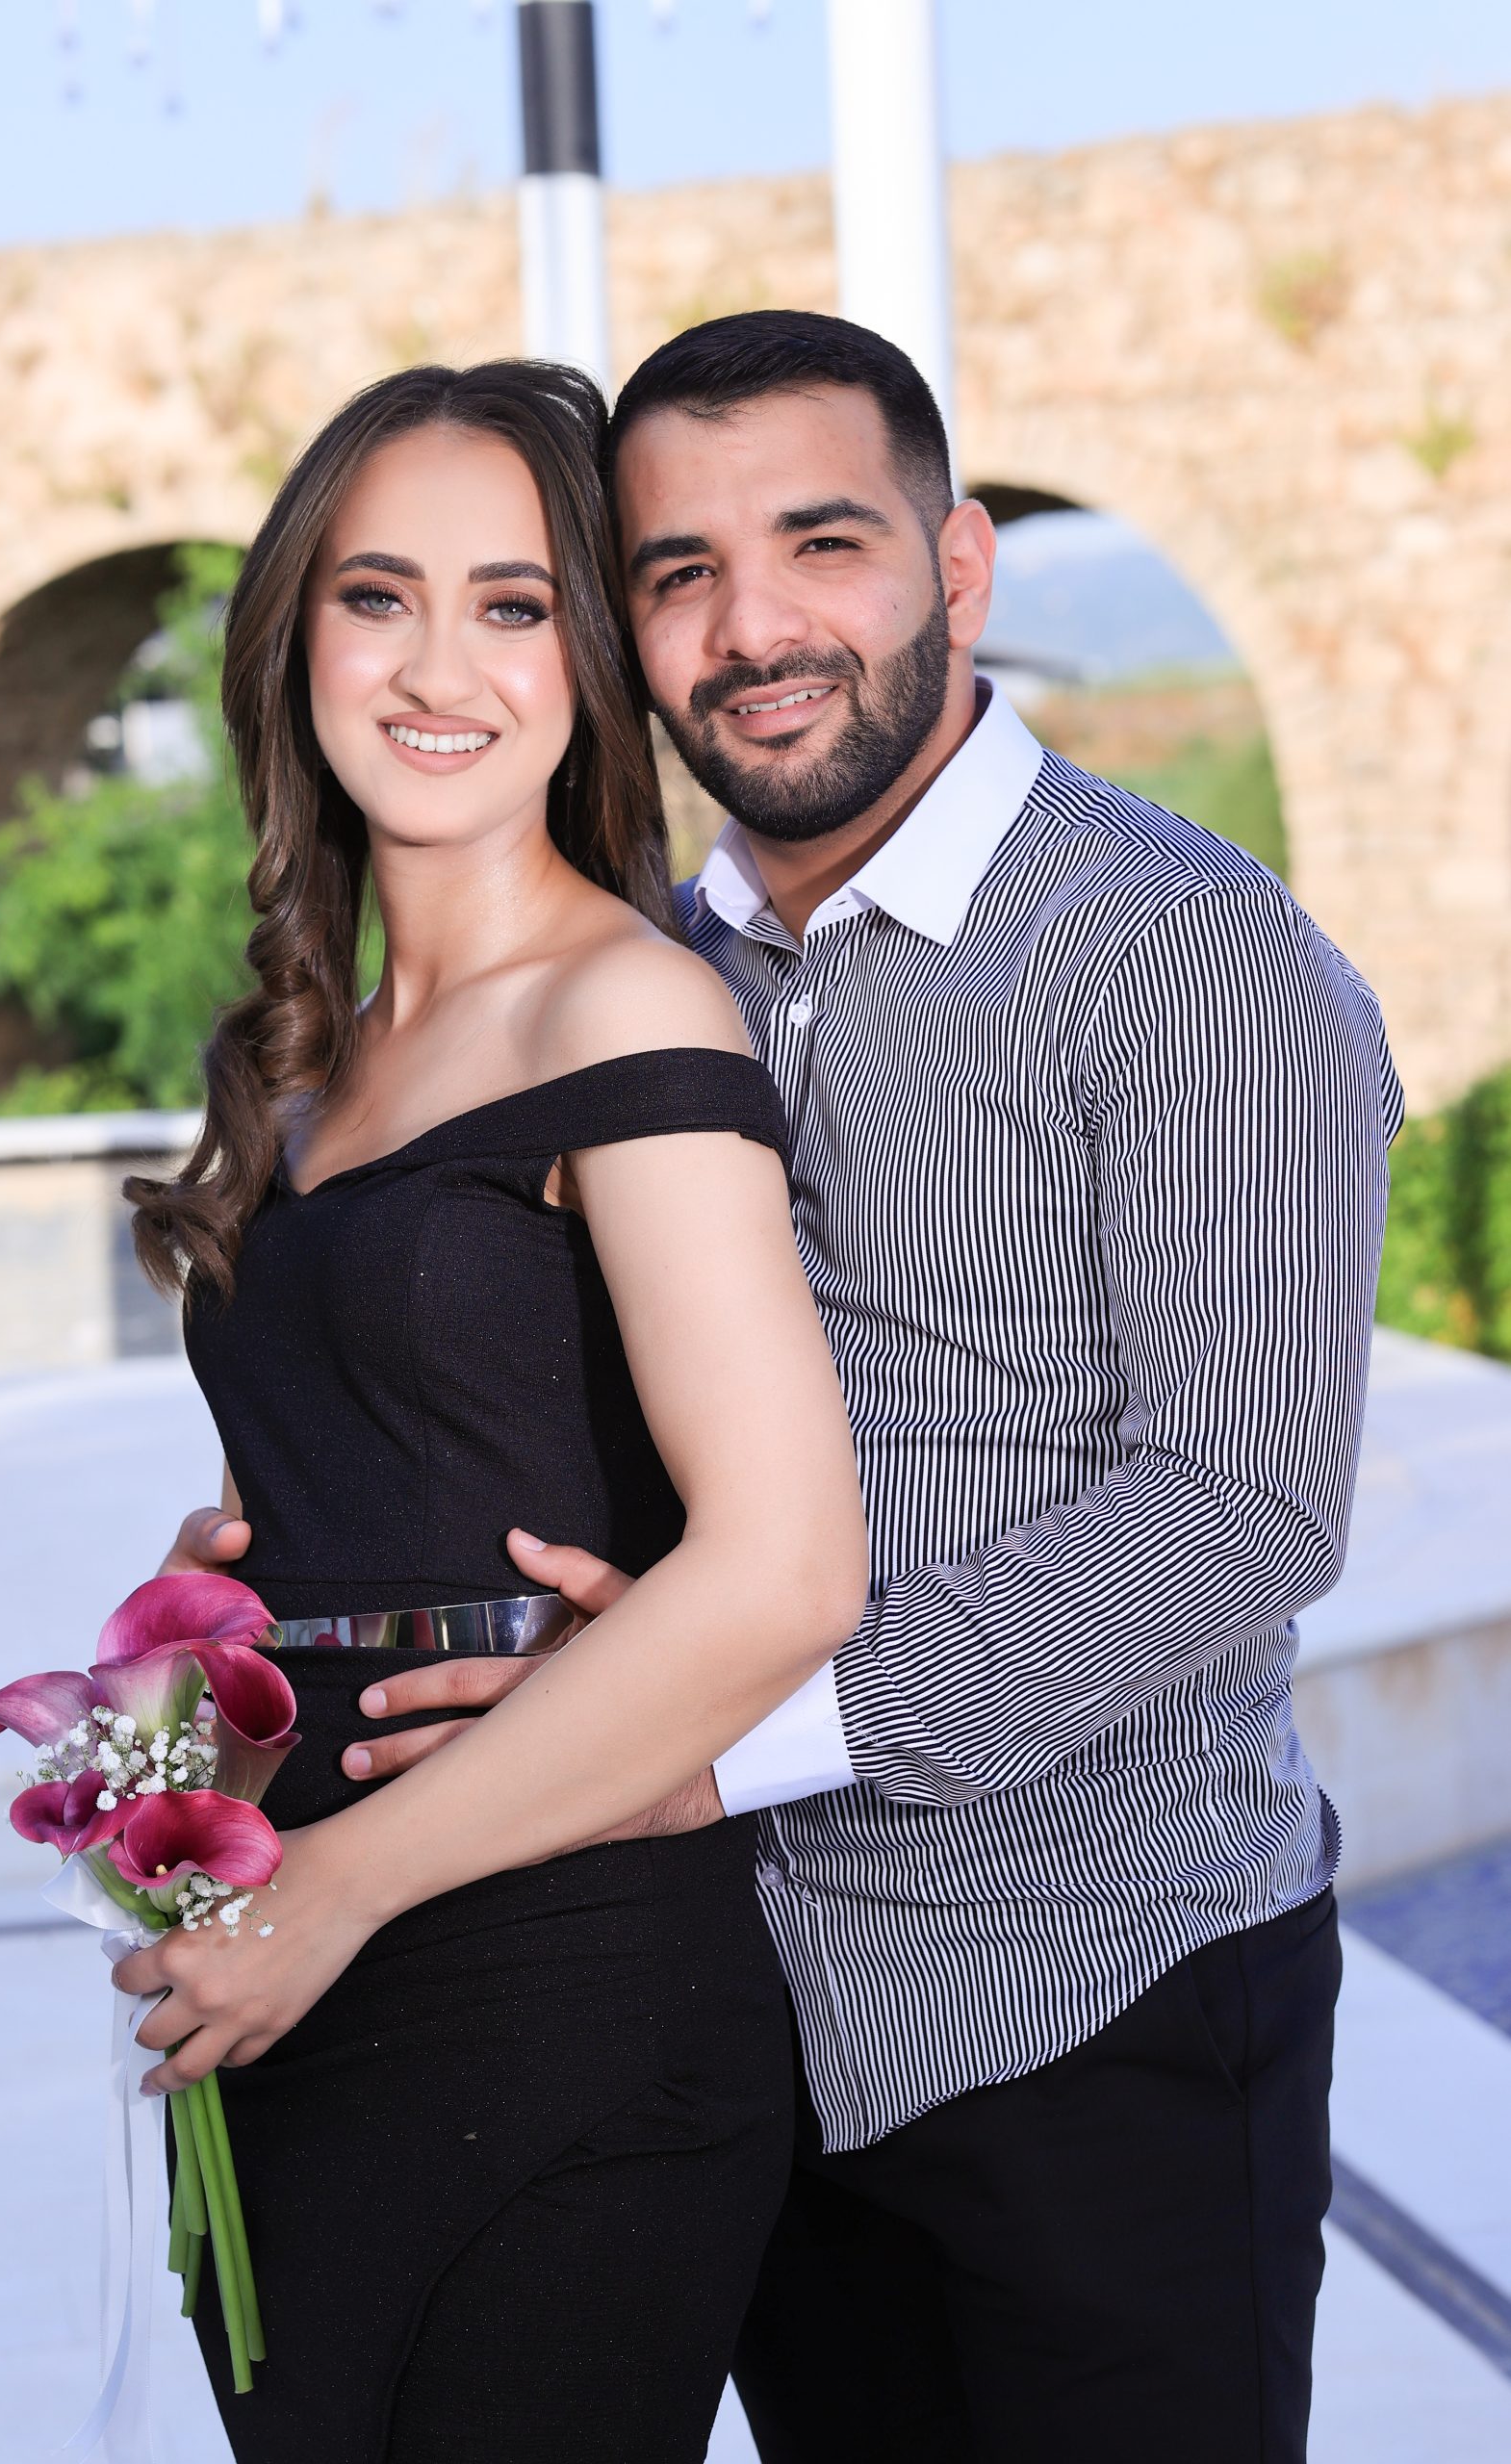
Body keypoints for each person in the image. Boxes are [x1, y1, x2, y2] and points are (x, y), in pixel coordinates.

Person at [166, 315, 1400, 2462]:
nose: (753, 629)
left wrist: (716, 1742)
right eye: (679, 571)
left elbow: (1241, 1504)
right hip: (759, 2002)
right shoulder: (675, 953)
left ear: (959, 567)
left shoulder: (1176, 948)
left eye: (822, 544)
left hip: (1083, 1989)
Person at [117, 356, 868, 2464]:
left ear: (585, 664)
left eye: (513, 605)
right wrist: (203, 1650)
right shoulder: (302, 1067)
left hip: (559, 1988)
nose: (438, 667)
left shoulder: (628, 1002)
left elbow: (786, 1565)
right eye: (380, 597)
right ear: (299, 640)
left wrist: (334, 1894)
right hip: (291, 1995)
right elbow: (366, 1467)